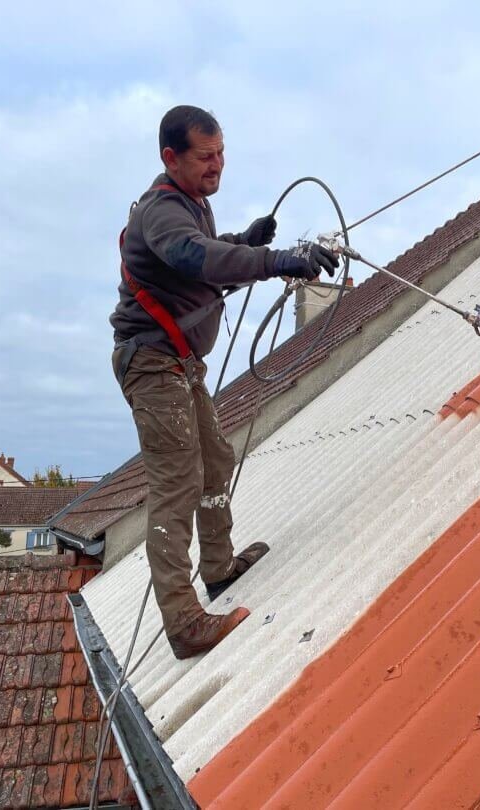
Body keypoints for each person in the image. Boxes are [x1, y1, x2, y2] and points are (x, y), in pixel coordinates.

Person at [110, 105, 340, 659]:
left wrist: (245, 238)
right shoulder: (162, 211)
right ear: (171, 158)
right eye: (205, 156)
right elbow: (194, 257)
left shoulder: (192, 203)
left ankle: (217, 568)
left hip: (179, 363)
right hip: (152, 364)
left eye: (221, 154)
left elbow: (198, 256)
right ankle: (184, 623)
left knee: (214, 460)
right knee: (178, 481)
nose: (217, 165)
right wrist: (276, 258)